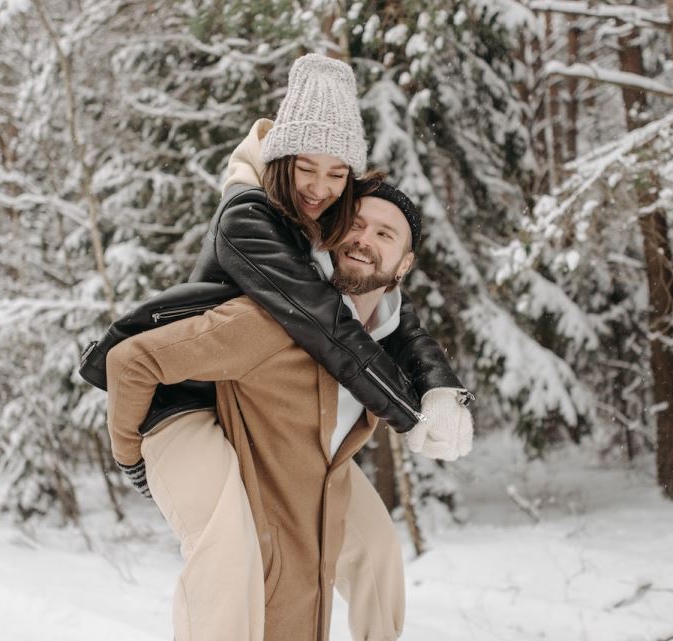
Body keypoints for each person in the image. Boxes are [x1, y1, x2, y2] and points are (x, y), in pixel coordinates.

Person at [87, 53, 473, 641]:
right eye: (306, 168)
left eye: (337, 173)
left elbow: (388, 311)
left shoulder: (328, 235)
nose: (320, 187)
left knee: (373, 556)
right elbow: (326, 323)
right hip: (185, 401)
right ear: (281, 158)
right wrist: (408, 414)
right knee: (229, 548)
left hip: (257, 406)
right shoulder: (250, 217)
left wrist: (440, 389)